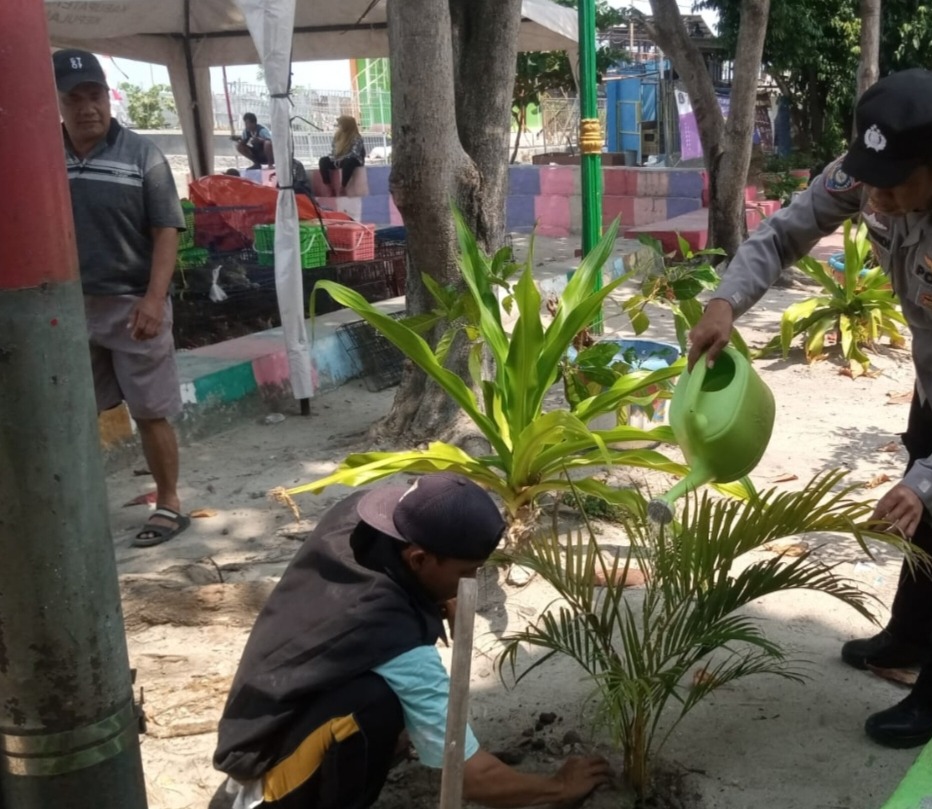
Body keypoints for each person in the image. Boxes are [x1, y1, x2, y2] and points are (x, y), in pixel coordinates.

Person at [687, 69, 932, 749]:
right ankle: (908, 636)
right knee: (919, 520)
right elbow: (785, 231)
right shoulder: (872, 170)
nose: (874, 197)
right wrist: (724, 300)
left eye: (891, 185)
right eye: (869, 178)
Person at [213, 473, 610, 808]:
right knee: (376, 704)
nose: (471, 585)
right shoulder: (387, 633)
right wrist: (558, 789)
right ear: (418, 559)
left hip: (267, 713)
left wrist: (442, 593)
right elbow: (469, 775)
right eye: (466, 572)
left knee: (381, 700)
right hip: (264, 783)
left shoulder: (359, 519)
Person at [54, 49, 191, 548]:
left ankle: (170, 502)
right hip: (68, 309)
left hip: (134, 304)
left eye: (95, 96)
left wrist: (154, 300)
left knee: (150, 411)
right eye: (75, 99)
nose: (87, 107)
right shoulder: (43, 154)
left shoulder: (143, 155)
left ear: (107, 98)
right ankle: (77, 504)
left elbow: (166, 231)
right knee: (70, 409)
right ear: (61, 103)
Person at [318, 114, 366, 191]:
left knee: (349, 162)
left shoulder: (356, 137)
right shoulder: (338, 136)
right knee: (323, 160)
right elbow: (334, 150)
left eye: (341, 124)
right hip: (338, 159)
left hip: (352, 159)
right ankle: (328, 186)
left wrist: (341, 159)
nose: (339, 126)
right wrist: (335, 158)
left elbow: (354, 153)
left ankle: (343, 186)